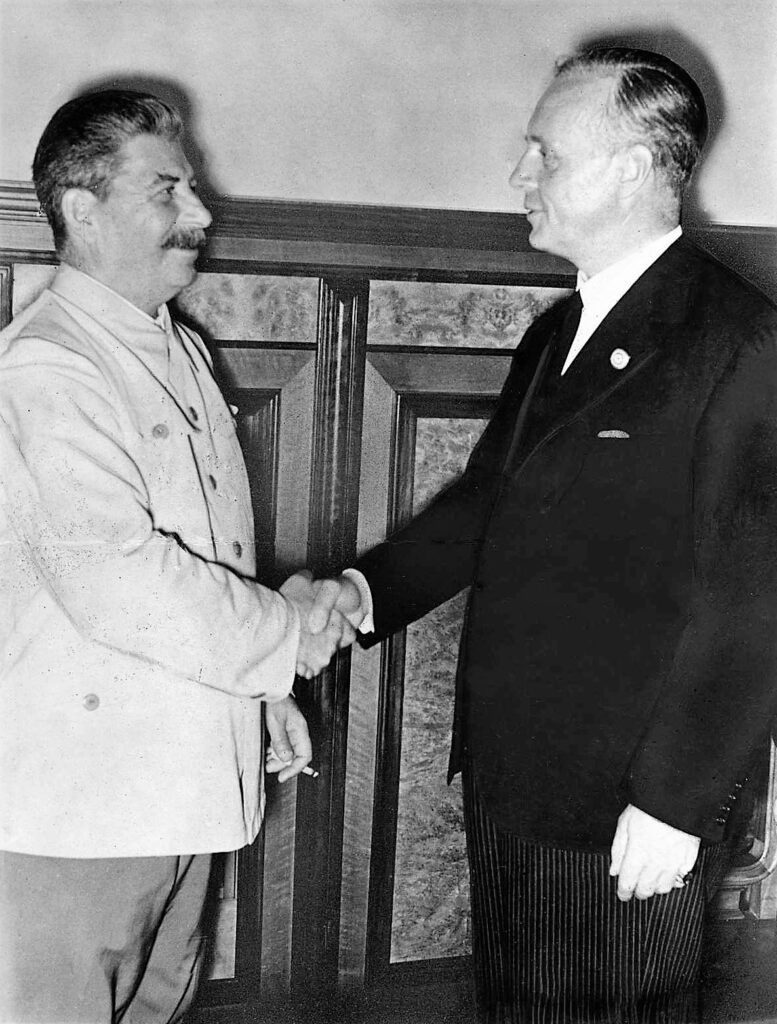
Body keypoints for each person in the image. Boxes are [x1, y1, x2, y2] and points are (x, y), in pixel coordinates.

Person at [317, 47, 777, 1021]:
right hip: (519, 774)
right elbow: (486, 505)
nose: (519, 176)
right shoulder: (553, 332)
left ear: (632, 167)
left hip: (629, 798)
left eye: (544, 154)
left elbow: (755, 591)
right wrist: (361, 596)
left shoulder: (740, 340)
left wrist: (676, 797)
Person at [0, 90, 352, 1024]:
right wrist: (284, 639)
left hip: (183, 786)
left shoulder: (176, 348)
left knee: (159, 1010)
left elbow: (209, 557)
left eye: (191, 187)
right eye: (167, 190)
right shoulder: (50, 365)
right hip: (85, 812)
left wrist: (263, 691)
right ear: (83, 210)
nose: (199, 215)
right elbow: (119, 578)